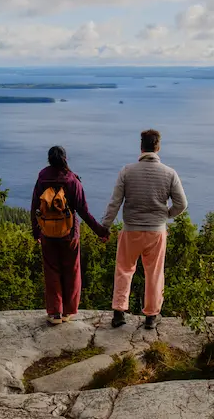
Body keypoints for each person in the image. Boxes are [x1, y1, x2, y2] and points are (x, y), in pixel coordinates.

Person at [101, 129, 188, 330]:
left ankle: (119, 313)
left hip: (131, 229)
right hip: (156, 232)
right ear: (158, 147)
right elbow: (182, 204)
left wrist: (105, 227)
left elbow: (114, 203)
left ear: (141, 147)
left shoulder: (127, 171)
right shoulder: (169, 173)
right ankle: (151, 316)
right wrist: (166, 215)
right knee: (154, 273)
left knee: (124, 270)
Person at [32, 146, 109, 325]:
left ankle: (54, 313)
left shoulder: (42, 177)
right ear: (65, 158)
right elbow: (83, 210)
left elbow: (35, 205)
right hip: (69, 234)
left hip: (47, 233)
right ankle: (68, 312)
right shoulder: (71, 180)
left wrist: (36, 231)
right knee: (71, 271)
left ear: (49, 159)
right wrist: (101, 232)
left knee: (51, 271)